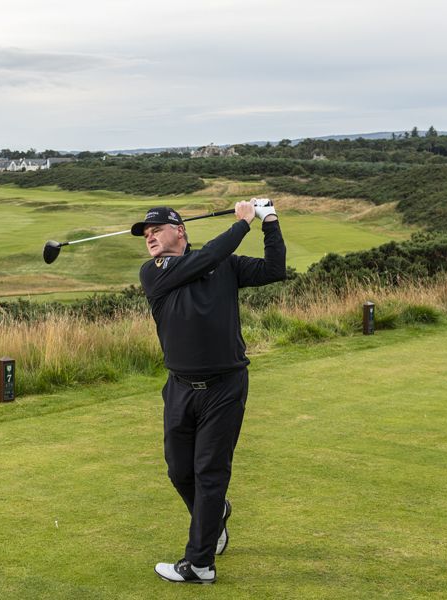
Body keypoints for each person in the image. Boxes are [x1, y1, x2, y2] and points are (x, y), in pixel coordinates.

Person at [131, 200, 286, 584]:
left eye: (156, 229)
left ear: (180, 230)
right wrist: (242, 223)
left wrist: (269, 221)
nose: (149, 236)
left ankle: (199, 562)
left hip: (225, 386)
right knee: (179, 470)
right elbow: (207, 257)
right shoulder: (154, 273)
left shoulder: (225, 266)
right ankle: (214, 518)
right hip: (180, 388)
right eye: (145, 234)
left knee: (210, 473)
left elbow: (274, 269)